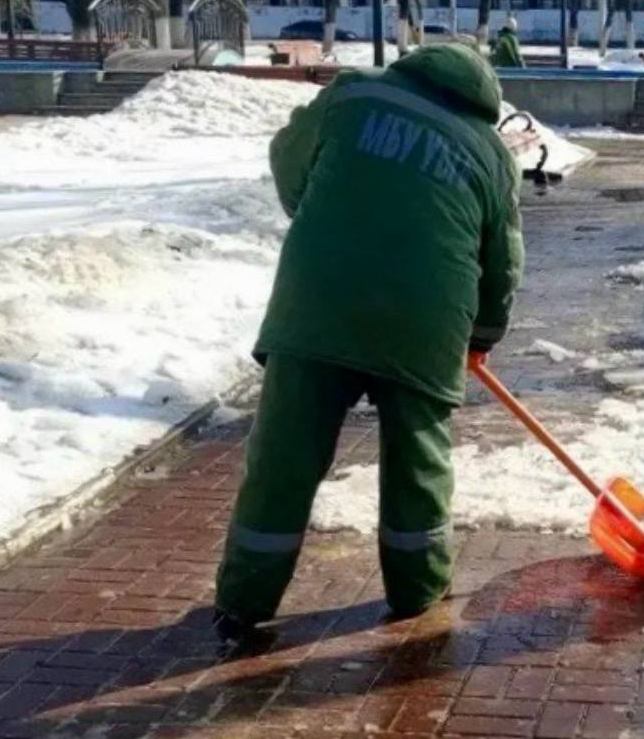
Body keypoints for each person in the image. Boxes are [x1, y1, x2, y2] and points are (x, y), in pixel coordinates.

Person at [214, 43, 523, 636]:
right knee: (418, 464)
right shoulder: (491, 153)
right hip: (428, 322)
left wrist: (324, 213)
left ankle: (244, 599)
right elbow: (503, 261)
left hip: (316, 303)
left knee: (283, 458)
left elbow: (288, 155)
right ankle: (417, 590)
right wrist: (483, 334)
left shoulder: (355, 93)